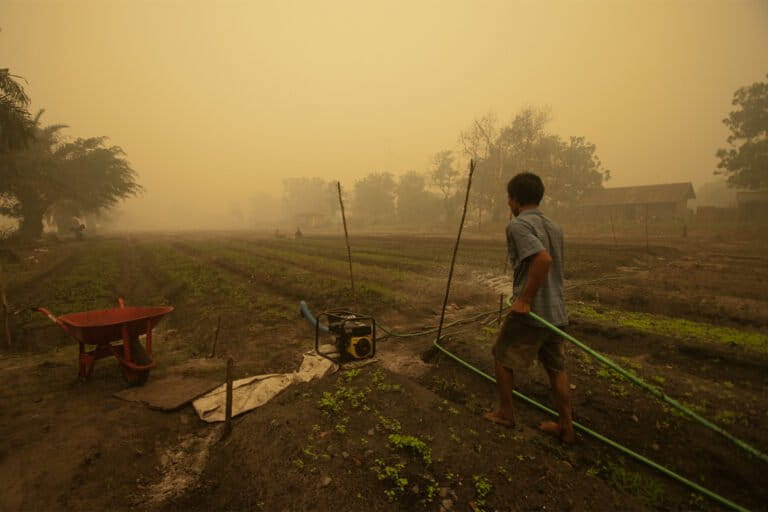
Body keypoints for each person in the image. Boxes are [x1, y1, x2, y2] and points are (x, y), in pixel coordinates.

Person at [483, 172, 575, 444]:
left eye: (508, 199)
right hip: (556, 311)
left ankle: (506, 414)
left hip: (533, 312)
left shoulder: (518, 226)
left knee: (501, 355)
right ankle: (566, 426)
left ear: (513, 200)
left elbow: (543, 260)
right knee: (557, 368)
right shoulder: (554, 226)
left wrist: (524, 300)